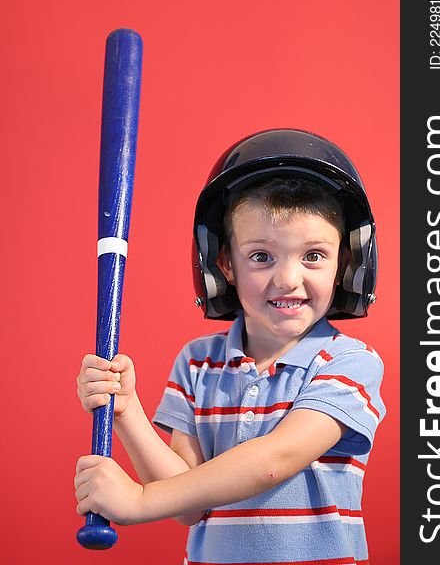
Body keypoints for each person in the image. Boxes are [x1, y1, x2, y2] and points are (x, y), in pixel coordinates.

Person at [75, 128, 386, 564]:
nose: (288, 280)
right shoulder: (198, 363)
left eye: (313, 255)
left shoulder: (350, 362)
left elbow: (275, 459)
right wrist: (127, 411)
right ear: (225, 264)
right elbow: (187, 502)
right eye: (261, 256)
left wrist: (140, 501)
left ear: (347, 263)